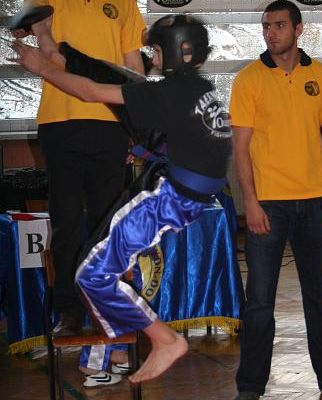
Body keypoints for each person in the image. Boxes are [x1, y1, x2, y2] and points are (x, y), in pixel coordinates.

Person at [11, 14, 232, 384]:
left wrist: (41, 68)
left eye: (157, 51)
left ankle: (163, 340)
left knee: (91, 273)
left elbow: (89, 92)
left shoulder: (164, 94)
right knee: (104, 268)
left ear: (173, 53)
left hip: (168, 198)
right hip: (189, 193)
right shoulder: (200, 88)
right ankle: (111, 352)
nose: (152, 59)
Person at [229, 1, 322, 399]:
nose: (270, 33)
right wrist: (250, 202)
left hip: (314, 205)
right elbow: (241, 148)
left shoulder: (321, 76)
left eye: (278, 25)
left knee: (320, 299)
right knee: (259, 304)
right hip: (267, 207)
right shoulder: (248, 79)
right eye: (266, 26)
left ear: (298, 29)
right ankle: (250, 388)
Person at [10, 0, 146, 387]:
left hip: (109, 124)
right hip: (60, 123)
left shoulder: (124, 4)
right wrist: (26, 32)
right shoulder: (46, 1)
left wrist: (137, 121)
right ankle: (69, 312)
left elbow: (132, 69)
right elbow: (29, 36)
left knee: (107, 229)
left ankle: (111, 317)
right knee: (66, 223)